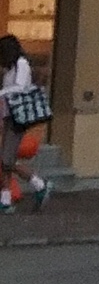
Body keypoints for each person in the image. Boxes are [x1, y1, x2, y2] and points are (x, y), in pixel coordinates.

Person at [0, 35, 51, 214]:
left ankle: (39, 184)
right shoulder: (11, 67)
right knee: (6, 159)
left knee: (6, 160)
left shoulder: (21, 64)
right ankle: (5, 199)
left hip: (17, 118)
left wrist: (1, 92)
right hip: (9, 116)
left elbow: (21, 87)